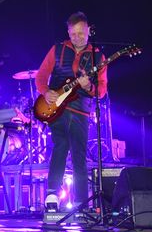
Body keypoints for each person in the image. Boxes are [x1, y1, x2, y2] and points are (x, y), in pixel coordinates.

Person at [35, 12, 107, 211]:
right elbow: (40, 76)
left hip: (81, 111)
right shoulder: (57, 49)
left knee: (78, 154)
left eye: (81, 33)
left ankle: (80, 202)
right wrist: (46, 91)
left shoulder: (98, 56)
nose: (77, 38)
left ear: (89, 31)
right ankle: (52, 195)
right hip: (57, 108)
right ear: (68, 32)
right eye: (73, 34)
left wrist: (88, 86)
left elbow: (102, 91)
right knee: (60, 146)